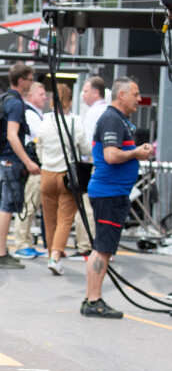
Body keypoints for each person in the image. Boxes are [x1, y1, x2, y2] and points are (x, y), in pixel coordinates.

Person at [81, 77, 153, 318]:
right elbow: (111, 155)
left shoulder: (118, 119)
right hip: (109, 193)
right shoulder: (112, 118)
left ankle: (92, 298)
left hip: (112, 193)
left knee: (103, 247)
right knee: (102, 248)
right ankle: (93, 300)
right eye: (135, 93)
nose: (139, 98)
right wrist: (137, 153)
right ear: (121, 95)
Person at [37, 84, 91, 276]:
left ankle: (52, 252)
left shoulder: (45, 121)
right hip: (67, 176)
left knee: (49, 220)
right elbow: (85, 150)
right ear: (69, 100)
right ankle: (55, 256)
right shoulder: (74, 122)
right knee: (65, 219)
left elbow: (39, 147)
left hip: (46, 174)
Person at [0, 63, 40, 269]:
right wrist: (29, 162)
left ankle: (0, 250)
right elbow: (12, 135)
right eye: (30, 79)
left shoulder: (4, 99)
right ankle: (1, 253)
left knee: (4, 206)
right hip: (11, 160)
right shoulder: (16, 104)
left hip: (1, 159)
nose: (32, 83)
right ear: (22, 81)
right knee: (7, 207)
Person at [70, 76, 108, 261]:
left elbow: (86, 143)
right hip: (105, 165)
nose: (83, 95)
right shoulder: (108, 110)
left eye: (85, 91)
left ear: (96, 92)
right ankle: (98, 246)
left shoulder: (94, 113)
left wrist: (82, 161)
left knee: (86, 206)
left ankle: (86, 247)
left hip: (92, 163)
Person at [14, 81, 47, 259]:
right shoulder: (30, 113)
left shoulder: (36, 113)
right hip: (32, 166)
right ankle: (21, 243)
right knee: (28, 206)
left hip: (34, 166)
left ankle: (25, 242)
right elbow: (41, 135)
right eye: (41, 94)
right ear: (31, 96)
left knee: (31, 207)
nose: (45, 98)